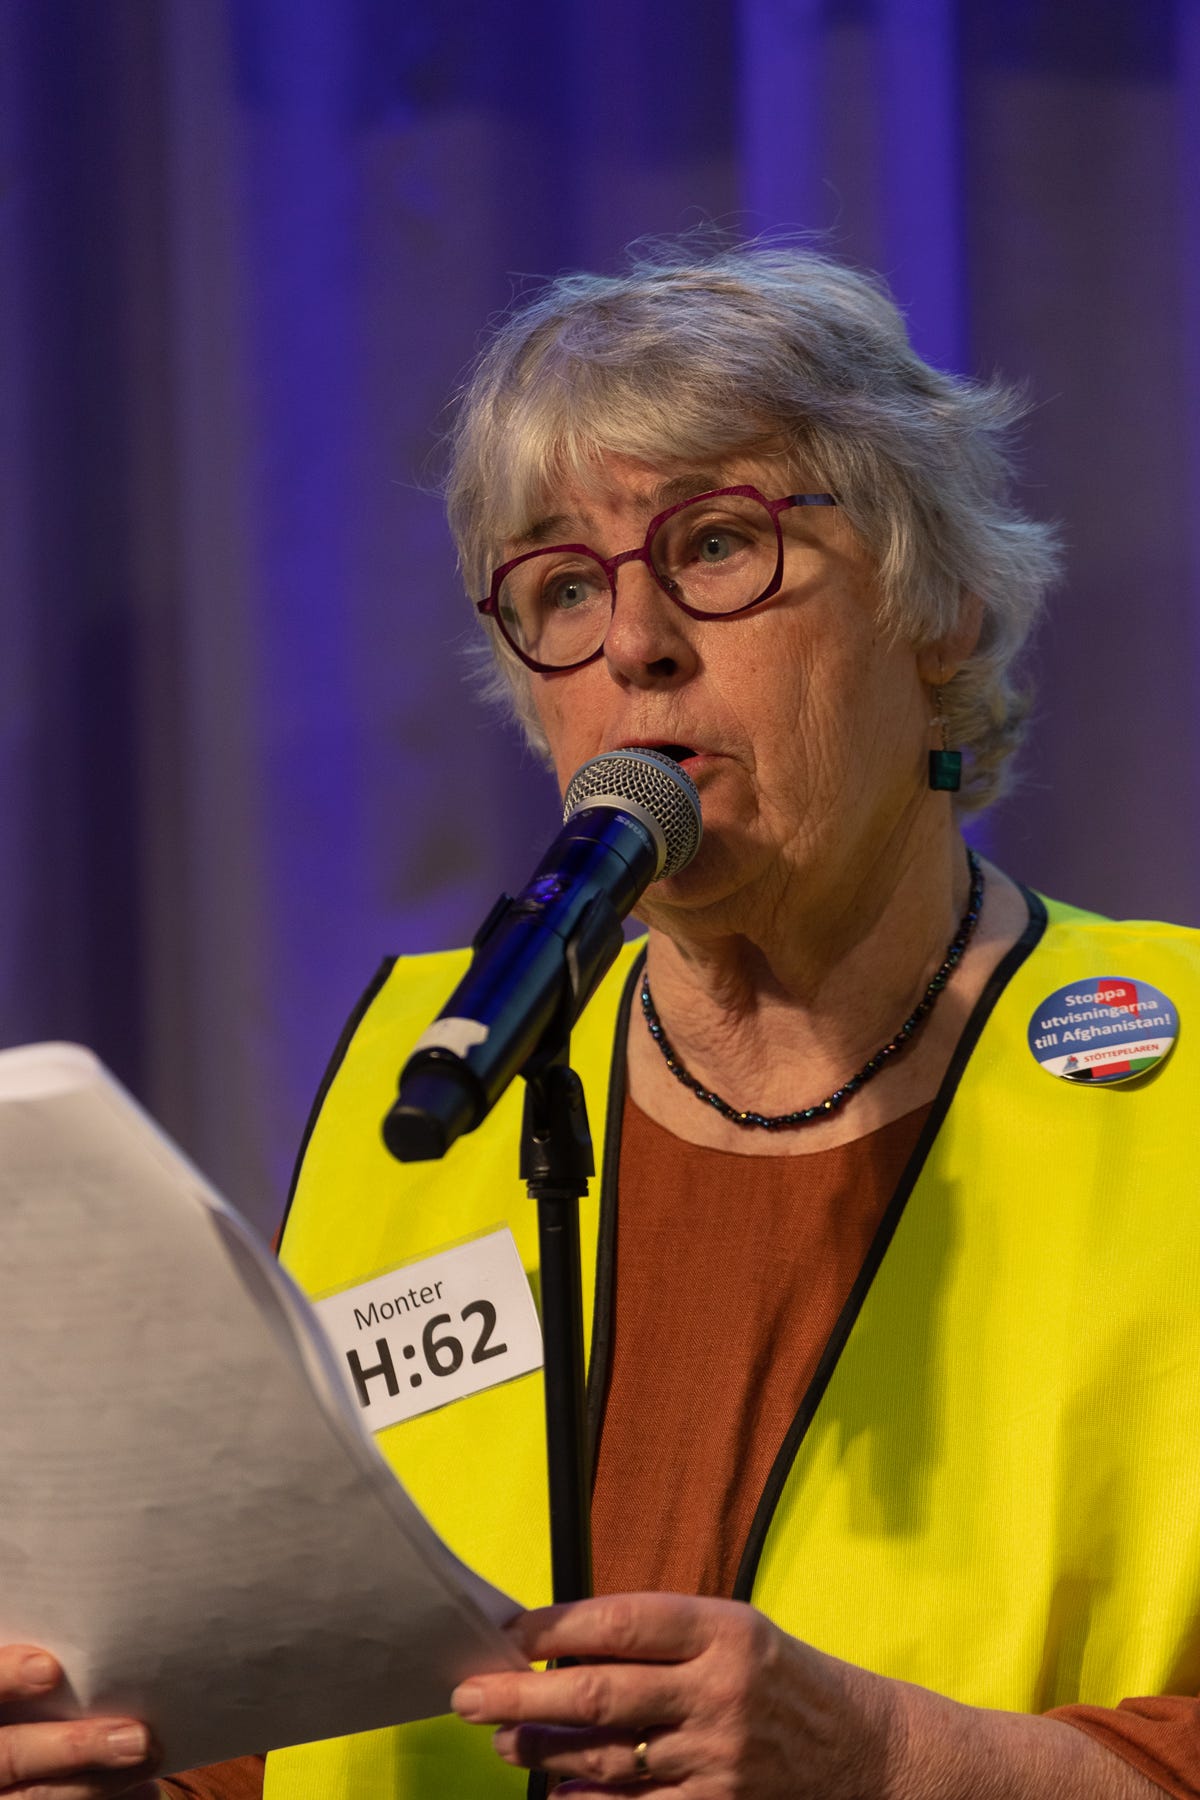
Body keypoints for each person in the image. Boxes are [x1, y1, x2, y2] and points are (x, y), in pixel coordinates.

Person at [5, 246, 1200, 1799]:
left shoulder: (1174, 1074)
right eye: (564, 587)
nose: (635, 641)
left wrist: (895, 1756)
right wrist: (122, 1769)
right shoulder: (441, 1068)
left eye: (719, 546)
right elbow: (305, 1708)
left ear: (940, 610)